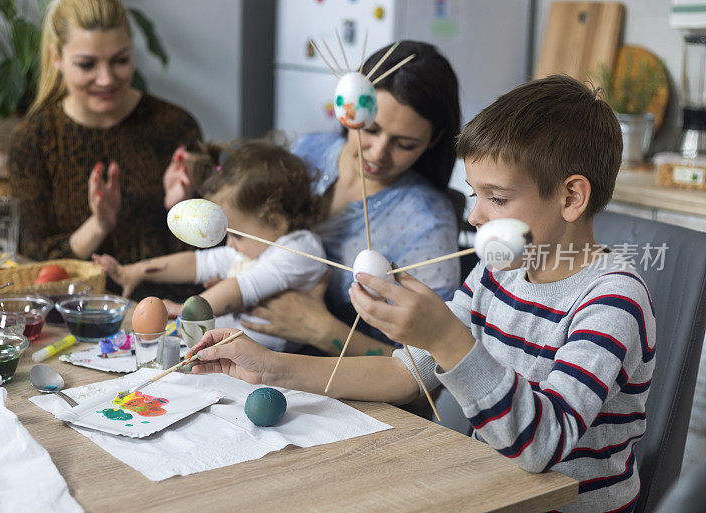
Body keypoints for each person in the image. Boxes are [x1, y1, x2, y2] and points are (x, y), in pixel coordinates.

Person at [184, 75, 656, 513]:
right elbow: (405, 373)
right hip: (490, 489)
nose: (474, 217)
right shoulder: (499, 274)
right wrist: (272, 367)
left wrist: (448, 339)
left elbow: (542, 444)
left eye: (497, 197)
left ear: (571, 197)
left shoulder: (612, 304)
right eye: (473, 195)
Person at [233, 41, 463, 358]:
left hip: (345, 393)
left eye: (405, 144)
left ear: (433, 140)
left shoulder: (427, 222)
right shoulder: (307, 150)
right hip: (247, 349)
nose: (378, 153)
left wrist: (321, 330)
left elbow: (432, 369)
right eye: (369, 129)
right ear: (348, 107)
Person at [9, 0, 201, 300]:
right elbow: (34, 262)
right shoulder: (35, 139)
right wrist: (98, 226)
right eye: (87, 64)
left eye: (120, 60)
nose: (106, 79)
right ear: (56, 57)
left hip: (170, 310)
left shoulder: (174, 126)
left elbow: (216, 257)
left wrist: (183, 208)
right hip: (72, 315)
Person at [94, 140, 327, 352]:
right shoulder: (252, 245)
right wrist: (135, 271)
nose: (231, 244)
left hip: (267, 363)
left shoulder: (301, 250)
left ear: (275, 221)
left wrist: (186, 309)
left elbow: (240, 288)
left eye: (237, 236)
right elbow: (198, 262)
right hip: (227, 347)